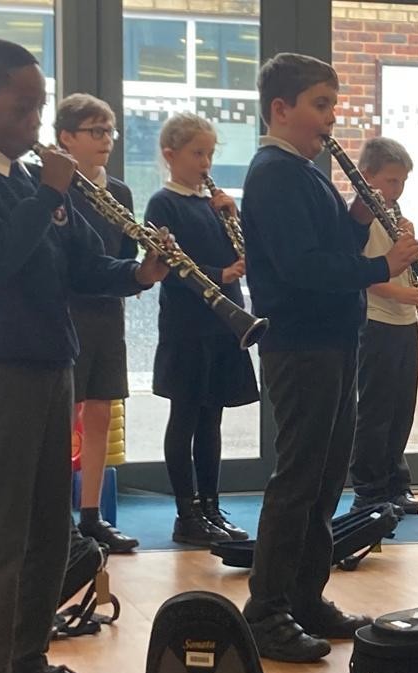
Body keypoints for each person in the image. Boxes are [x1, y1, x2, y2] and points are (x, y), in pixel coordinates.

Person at [0, 39, 167, 673]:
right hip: (2, 368)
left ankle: (28, 664)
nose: (35, 120)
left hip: (53, 362)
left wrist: (139, 272)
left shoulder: (30, 181)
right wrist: (49, 193)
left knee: (50, 528)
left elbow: (82, 269)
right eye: (22, 107)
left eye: (39, 106)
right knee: (5, 529)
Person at [240, 52, 418, 662]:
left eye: (333, 105)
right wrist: (383, 265)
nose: (331, 117)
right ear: (280, 108)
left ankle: (305, 596)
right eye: (320, 105)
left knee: (324, 479)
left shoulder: (303, 171)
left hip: (332, 341)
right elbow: (303, 268)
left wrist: (358, 217)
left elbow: (329, 245)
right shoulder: (275, 173)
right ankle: (266, 611)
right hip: (301, 344)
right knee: (298, 480)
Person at [145, 112, 260, 545]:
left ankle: (211, 505)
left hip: (222, 325)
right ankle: (186, 512)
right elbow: (171, 266)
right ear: (170, 155)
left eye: (210, 153)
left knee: (212, 418)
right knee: (185, 416)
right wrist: (220, 274)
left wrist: (234, 217)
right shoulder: (163, 203)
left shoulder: (213, 205)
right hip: (187, 327)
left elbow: (244, 252)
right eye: (197, 153)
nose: (206, 163)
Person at [54, 92, 140, 553]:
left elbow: (125, 255)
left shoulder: (120, 192)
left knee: (102, 410)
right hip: (68, 312)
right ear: (66, 137)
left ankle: (91, 515)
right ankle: (57, 518)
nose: (106, 140)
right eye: (95, 132)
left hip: (108, 311)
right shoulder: (57, 188)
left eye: (110, 131)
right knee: (66, 413)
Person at [349, 137, 418, 515]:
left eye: (402, 182)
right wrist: (401, 294)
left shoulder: (396, 216)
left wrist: (411, 248)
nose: (397, 189)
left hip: (404, 322)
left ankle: (397, 483)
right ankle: (369, 489)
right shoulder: (361, 219)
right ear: (367, 177)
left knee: (401, 409)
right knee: (376, 410)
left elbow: (401, 267)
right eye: (391, 180)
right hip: (377, 321)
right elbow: (364, 276)